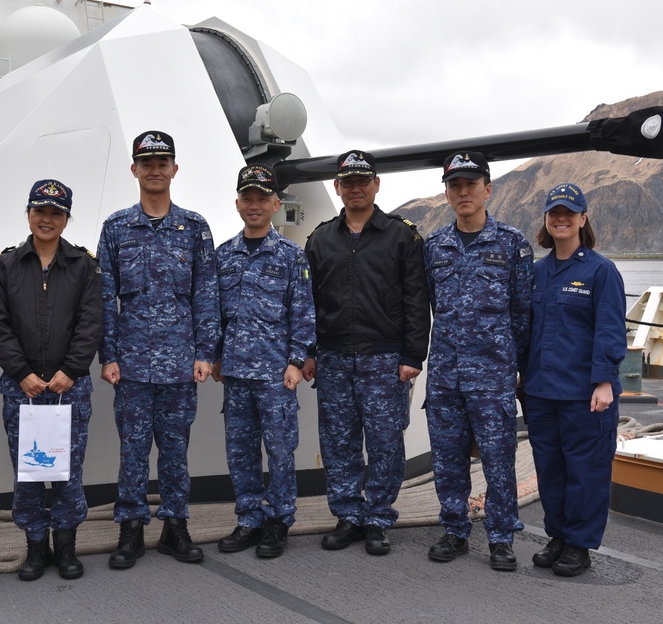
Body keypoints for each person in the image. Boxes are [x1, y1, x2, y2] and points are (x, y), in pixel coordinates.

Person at [97, 130, 219, 568]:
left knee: (174, 450)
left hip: (180, 364)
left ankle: (174, 527)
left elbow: (206, 294)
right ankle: (130, 529)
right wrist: (107, 355)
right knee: (131, 451)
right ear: (134, 169)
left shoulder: (195, 228)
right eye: (146, 163)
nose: (154, 170)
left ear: (174, 169)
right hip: (129, 364)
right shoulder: (115, 228)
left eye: (162, 162)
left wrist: (205, 352)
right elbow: (104, 298)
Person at [303, 150, 430, 556]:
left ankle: (377, 518)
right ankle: (348, 516)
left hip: (385, 359)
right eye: (348, 182)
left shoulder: (402, 236)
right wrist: (309, 352)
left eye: (363, 181)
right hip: (334, 357)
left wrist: (413, 356)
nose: (355, 188)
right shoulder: (321, 238)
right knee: (338, 442)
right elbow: (308, 303)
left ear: (376, 185)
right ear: (337, 188)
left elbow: (416, 300)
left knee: (385, 442)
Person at [0, 179, 102, 581]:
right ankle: (36, 547)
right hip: (23, 391)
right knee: (29, 470)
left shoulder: (84, 265)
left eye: (56, 212)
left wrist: (70, 371)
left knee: (68, 470)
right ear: (29, 214)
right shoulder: (5, 265)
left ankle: (66, 546)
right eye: (40, 211)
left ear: (66, 218)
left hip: (71, 388)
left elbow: (91, 323)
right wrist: (22, 374)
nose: (47, 219)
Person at [423, 151, 533, 571]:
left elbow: (522, 312)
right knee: (447, 458)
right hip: (447, 374)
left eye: (471, 184)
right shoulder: (435, 246)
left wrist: (516, 366)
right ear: (447, 194)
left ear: (488, 189)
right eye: (454, 185)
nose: (463, 192)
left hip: (493, 373)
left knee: (499, 458)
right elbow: (431, 304)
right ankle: (455, 530)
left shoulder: (512, 243)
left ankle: (501, 537)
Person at [522, 182, 627, 577]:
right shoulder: (536, 272)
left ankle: (579, 544)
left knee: (586, 470)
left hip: (585, 393)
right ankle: (559, 535)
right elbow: (525, 329)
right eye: (554, 213)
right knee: (549, 469)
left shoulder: (600, 271)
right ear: (546, 222)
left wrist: (604, 381)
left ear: (583, 219)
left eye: (569, 212)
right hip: (540, 390)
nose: (561, 219)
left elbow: (611, 329)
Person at [211, 164, 316, 558]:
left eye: (262, 199)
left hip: (276, 374)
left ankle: (279, 521)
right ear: (238, 203)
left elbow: (303, 313)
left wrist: (295, 360)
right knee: (240, 450)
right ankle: (249, 519)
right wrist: (217, 357)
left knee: (280, 448)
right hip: (236, 374)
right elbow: (215, 312)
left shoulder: (291, 256)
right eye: (247, 198)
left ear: (275, 204)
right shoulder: (224, 256)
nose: (254, 205)